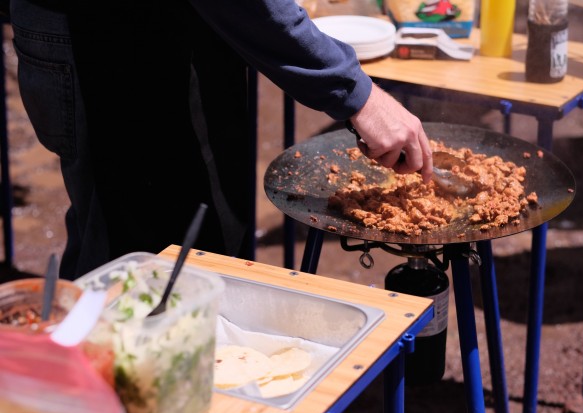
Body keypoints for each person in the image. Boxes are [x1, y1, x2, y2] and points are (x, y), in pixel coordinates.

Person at [8, 0, 432, 280]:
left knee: (127, 244)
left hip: (156, 33)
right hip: (111, 45)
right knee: (143, 268)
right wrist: (358, 94)